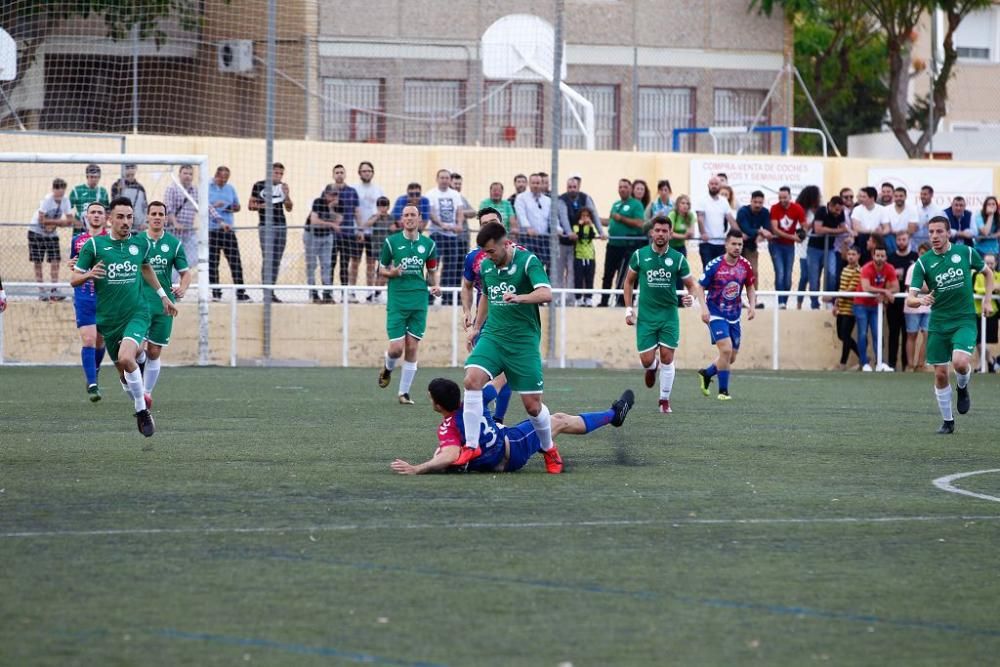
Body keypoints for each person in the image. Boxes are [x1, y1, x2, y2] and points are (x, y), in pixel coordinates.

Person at [71, 197, 178, 437]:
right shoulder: (95, 247)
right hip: (109, 320)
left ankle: (142, 411)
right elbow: (73, 279)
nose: (126, 221)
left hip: (137, 313)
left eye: (129, 217)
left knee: (127, 358)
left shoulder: (139, 244)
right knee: (124, 371)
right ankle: (137, 373)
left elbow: (146, 267)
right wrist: (88, 274)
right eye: (120, 217)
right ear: (110, 219)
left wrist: (163, 295)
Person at [462, 221, 561, 473]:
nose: (488, 257)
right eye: (485, 252)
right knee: (472, 380)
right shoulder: (486, 265)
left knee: (533, 406)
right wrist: (475, 325)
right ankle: (471, 446)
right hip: (494, 336)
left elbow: (546, 293)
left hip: (523, 342)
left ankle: (549, 448)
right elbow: (486, 294)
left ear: (505, 243)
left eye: (492, 251)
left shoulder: (528, 262)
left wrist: (520, 298)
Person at [390, 378, 634, 475]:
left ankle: (613, 415)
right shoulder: (476, 400)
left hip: (504, 448)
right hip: (511, 447)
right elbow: (500, 380)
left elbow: (450, 453)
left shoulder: (447, 427)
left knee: (441, 453)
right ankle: (613, 414)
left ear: (437, 404)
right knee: (556, 420)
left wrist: (420, 467)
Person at [907, 216, 994, 433]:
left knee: (960, 363)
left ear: (948, 233)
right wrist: (920, 300)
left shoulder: (965, 252)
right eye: (931, 232)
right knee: (940, 374)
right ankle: (948, 421)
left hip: (964, 319)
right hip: (938, 323)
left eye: (939, 232)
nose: (934, 236)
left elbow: (988, 273)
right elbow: (910, 298)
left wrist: (986, 299)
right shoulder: (923, 262)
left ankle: (963, 387)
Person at [622, 216, 704, 414]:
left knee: (668, 356)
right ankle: (652, 367)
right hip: (646, 317)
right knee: (646, 360)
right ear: (652, 232)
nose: (660, 234)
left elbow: (692, 285)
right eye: (657, 230)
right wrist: (628, 308)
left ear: (670, 233)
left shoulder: (678, 258)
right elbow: (628, 282)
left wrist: (690, 298)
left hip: (669, 316)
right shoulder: (640, 255)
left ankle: (664, 400)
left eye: (664, 231)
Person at [377, 205, 441, 404]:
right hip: (397, 300)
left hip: (419, 299)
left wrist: (436, 285)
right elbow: (380, 269)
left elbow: (431, 271)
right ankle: (388, 368)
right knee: (396, 349)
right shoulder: (391, 242)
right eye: (406, 215)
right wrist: (392, 273)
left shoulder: (428, 245)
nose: (409, 218)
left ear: (419, 218)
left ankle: (403, 393)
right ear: (402, 219)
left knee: (412, 347)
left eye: (413, 215)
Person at [459, 207, 513, 423]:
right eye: (484, 224)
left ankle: (498, 421)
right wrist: (467, 313)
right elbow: (468, 286)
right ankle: (486, 421)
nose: (489, 227)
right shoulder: (473, 258)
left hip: (511, 320)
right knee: (481, 374)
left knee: (505, 376)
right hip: (485, 321)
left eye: (493, 222)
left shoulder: (517, 253)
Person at [138, 201, 191, 405]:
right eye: (154, 213)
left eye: (161, 213)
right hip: (139, 304)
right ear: (148, 217)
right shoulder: (136, 242)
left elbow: (186, 273)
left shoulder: (174, 244)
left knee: (154, 351)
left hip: (164, 305)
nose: (158, 217)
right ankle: (139, 374)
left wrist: (183, 288)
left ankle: (146, 393)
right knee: (137, 350)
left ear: (166, 218)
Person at [696, 229, 757, 400]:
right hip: (716, 313)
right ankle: (723, 392)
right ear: (726, 244)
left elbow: (750, 287)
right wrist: (703, 308)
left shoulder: (745, 265)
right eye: (734, 244)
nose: (737, 247)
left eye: (740, 244)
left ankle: (707, 373)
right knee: (726, 350)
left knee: (731, 357)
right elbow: (699, 286)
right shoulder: (715, 265)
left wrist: (752, 306)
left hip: (734, 314)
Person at [69, 202, 109, 401]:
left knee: (101, 340)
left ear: (105, 217)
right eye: (92, 212)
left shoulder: (110, 240)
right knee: (89, 339)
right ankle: (92, 384)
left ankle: (95, 369)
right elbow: (74, 264)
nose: (95, 215)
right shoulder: (78, 240)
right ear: (86, 216)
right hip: (84, 294)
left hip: (105, 296)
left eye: (99, 213)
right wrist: (71, 264)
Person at [249, 162, 293, 301]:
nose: (278, 176)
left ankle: (271, 291)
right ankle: (266, 293)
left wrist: (286, 195)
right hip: (266, 225)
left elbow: (289, 208)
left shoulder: (283, 187)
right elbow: (251, 205)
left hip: (281, 225)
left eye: (281, 173)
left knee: (276, 260)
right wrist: (265, 205)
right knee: (268, 259)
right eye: (276, 173)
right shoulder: (259, 185)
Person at [599, 178, 645, 306]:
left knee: (624, 276)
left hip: (627, 247)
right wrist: (595, 219)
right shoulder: (616, 204)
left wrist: (622, 218)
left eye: (625, 187)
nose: (622, 189)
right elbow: (610, 222)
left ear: (630, 189)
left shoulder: (636, 204)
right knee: (608, 274)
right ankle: (603, 301)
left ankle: (621, 302)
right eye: (620, 187)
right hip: (612, 245)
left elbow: (639, 223)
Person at [854, 240, 899, 372]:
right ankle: (864, 363)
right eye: (877, 255)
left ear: (886, 257)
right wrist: (884, 291)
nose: (880, 258)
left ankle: (880, 363)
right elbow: (866, 287)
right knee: (862, 334)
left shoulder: (889, 268)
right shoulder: (867, 268)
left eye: (882, 256)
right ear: (873, 256)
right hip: (861, 304)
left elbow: (896, 287)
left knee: (877, 334)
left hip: (875, 306)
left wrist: (884, 295)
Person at [555, 176, 605, 291]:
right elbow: (563, 218)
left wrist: (601, 232)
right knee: (559, 271)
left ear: (578, 187)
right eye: (569, 187)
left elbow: (594, 215)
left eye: (574, 187)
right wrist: (569, 233)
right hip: (563, 241)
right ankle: (557, 299)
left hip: (577, 245)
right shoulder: (562, 199)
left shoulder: (585, 198)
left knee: (573, 272)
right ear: (566, 188)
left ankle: (571, 299)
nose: (572, 189)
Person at [207, 166, 249, 302]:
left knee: (235, 261)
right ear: (216, 175)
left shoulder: (230, 188)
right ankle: (216, 293)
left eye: (226, 178)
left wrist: (230, 207)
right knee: (213, 262)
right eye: (222, 178)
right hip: (212, 230)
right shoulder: (207, 187)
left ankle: (241, 292)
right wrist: (215, 205)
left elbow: (238, 206)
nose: (224, 181)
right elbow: (203, 206)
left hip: (228, 230)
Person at [28, 177, 73, 301]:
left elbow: (69, 220)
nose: (60, 195)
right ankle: (41, 290)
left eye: (62, 192)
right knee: (38, 262)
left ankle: (54, 288)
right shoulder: (47, 200)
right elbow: (41, 220)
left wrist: (52, 223)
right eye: (57, 192)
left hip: (52, 233)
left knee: (55, 260)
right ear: (53, 190)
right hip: (36, 232)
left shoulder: (65, 201)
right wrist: (59, 222)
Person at [425, 169, 466, 304]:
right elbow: (430, 212)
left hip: (452, 235)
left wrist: (459, 224)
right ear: (437, 179)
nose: (444, 180)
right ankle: (428, 297)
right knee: (432, 266)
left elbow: (460, 210)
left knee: (451, 266)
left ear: (449, 180)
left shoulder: (455, 194)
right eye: (441, 177)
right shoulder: (431, 194)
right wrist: (441, 224)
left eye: (446, 178)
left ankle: (448, 298)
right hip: (436, 235)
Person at [808, 196, 851, 310]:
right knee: (814, 277)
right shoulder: (821, 210)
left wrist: (828, 230)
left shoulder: (840, 212)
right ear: (830, 206)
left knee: (832, 274)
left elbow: (844, 228)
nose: (838, 212)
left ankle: (829, 300)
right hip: (814, 249)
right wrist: (836, 231)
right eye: (836, 209)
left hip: (830, 248)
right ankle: (814, 304)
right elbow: (818, 229)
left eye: (840, 210)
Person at [886, 230, 918, 370]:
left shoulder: (915, 257)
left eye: (904, 239)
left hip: (909, 304)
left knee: (908, 335)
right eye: (899, 239)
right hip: (893, 303)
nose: (901, 242)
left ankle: (907, 365)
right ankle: (891, 365)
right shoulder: (891, 258)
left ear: (908, 239)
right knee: (893, 334)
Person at [769, 186, 806, 309]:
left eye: (785, 197)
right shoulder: (774, 208)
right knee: (780, 272)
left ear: (790, 197)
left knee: (788, 274)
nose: (782, 200)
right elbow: (775, 229)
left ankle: (784, 300)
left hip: (789, 246)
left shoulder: (797, 208)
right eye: (780, 197)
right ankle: (781, 302)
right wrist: (793, 237)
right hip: (776, 244)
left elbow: (804, 225)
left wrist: (802, 235)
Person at [353, 161, 386, 298]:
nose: (366, 173)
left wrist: (369, 224)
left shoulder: (378, 190)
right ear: (359, 173)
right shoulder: (354, 189)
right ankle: (351, 291)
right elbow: (354, 211)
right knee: (355, 261)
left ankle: (370, 292)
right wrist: (360, 229)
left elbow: (380, 212)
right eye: (364, 171)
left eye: (369, 171)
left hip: (373, 233)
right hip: (357, 232)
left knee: (371, 263)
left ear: (373, 173)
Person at [304, 184, 341, 303]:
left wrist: (330, 208)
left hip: (326, 236)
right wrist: (330, 224)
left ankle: (327, 293)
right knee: (312, 265)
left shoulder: (338, 204)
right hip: (312, 235)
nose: (334, 196)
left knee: (327, 264)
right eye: (331, 194)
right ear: (325, 194)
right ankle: (313, 293)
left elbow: (339, 221)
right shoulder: (318, 202)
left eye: (336, 194)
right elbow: (314, 221)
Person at [331, 164, 362, 298]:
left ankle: (344, 293)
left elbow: (356, 212)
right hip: (331, 235)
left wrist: (360, 229)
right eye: (337, 172)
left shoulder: (352, 191)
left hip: (348, 234)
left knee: (345, 264)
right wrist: (332, 204)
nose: (339, 174)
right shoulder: (328, 190)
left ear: (345, 174)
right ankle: (328, 292)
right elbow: (322, 210)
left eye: (341, 172)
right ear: (333, 175)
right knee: (330, 263)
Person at [513, 173, 553, 273]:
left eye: (538, 183)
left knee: (542, 265)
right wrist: (528, 227)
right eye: (533, 183)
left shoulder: (548, 201)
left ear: (542, 184)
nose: (536, 185)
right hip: (527, 237)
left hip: (543, 239)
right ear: (529, 184)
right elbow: (521, 214)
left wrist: (558, 230)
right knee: (527, 265)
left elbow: (552, 219)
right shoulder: (521, 198)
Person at [163, 164, 199, 271]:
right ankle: (170, 285)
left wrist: (219, 220)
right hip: (174, 231)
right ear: (179, 174)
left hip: (188, 231)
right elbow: (169, 209)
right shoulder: (172, 189)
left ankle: (177, 277)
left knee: (196, 256)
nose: (188, 176)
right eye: (185, 173)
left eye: (190, 174)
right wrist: (175, 223)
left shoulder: (195, 191)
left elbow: (205, 207)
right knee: (172, 258)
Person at [903, 242, 932, 372]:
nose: (923, 256)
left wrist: (926, 289)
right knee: (912, 335)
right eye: (921, 253)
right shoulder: (912, 268)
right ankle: (910, 365)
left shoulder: (933, 268)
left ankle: (920, 364)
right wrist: (927, 288)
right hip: (913, 306)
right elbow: (911, 288)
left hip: (928, 306)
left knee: (927, 335)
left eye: (926, 253)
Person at [363, 196, 397, 303]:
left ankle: (377, 292)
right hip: (376, 247)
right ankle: (371, 292)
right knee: (374, 270)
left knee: (384, 271)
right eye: (381, 206)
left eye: (385, 206)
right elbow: (366, 225)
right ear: (377, 207)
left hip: (388, 249)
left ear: (388, 207)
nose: (383, 208)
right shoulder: (375, 217)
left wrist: (394, 229)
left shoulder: (391, 218)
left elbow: (396, 232)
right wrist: (376, 217)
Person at [833, 246, 862, 370]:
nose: (850, 256)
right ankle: (862, 357)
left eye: (853, 254)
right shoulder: (845, 269)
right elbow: (842, 287)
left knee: (845, 336)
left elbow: (850, 289)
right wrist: (836, 303)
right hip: (842, 307)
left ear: (858, 256)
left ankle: (843, 363)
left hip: (850, 309)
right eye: (849, 254)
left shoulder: (858, 271)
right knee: (841, 335)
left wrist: (836, 298)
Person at [696, 176, 732, 269]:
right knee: (708, 271)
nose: (714, 186)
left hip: (721, 243)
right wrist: (703, 233)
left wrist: (740, 233)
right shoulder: (702, 200)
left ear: (720, 186)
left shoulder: (724, 201)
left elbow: (730, 219)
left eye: (716, 184)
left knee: (720, 271)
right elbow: (700, 218)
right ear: (708, 185)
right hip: (706, 243)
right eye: (712, 184)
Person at [794, 185, 821, 309]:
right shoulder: (801, 210)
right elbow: (803, 228)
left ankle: (814, 302)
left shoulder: (818, 210)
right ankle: (799, 302)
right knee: (805, 275)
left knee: (815, 277)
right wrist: (813, 220)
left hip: (815, 246)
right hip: (804, 246)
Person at [973, 253, 1000, 372]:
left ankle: (981, 365)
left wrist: (994, 287)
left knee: (987, 340)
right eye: (987, 263)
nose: (989, 265)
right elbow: (976, 289)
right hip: (978, 311)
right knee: (978, 340)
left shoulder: (998, 275)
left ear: (995, 263)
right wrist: (992, 287)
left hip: (992, 311)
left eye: (991, 263)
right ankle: (990, 361)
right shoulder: (977, 275)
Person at [735, 190, 771, 279]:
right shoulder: (743, 211)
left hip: (751, 246)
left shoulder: (765, 212)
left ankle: (754, 293)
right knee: (735, 273)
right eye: (755, 202)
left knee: (753, 273)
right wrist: (760, 231)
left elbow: (767, 229)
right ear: (750, 201)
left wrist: (761, 235)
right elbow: (746, 229)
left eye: (760, 202)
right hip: (736, 245)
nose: (758, 205)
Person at [851, 186, 888, 264]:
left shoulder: (882, 209)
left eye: (864, 197)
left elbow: (887, 228)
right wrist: (871, 231)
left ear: (872, 198)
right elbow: (856, 227)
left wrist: (881, 232)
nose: (862, 199)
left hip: (877, 239)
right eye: (861, 196)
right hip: (861, 239)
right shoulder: (857, 209)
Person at [69, 164, 110, 232]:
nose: (94, 179)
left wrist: (104, 222)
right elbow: (67, 209)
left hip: (97, 229)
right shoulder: (77, 190)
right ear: (87, 177)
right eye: (91, 177)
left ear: (99, 177)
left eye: (96, 177)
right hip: (80, 229)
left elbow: (108, 211)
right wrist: (76, 222)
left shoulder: (103, 191)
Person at [573, 208, 599, 306]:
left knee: (589, 278)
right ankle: (578, 298)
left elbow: (593, 235)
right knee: (578, 278)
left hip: (590, 256)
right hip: (579, 256)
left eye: (587, 216)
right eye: (583, 216)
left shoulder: (591, 227)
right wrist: (580, 225)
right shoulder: (576, 226)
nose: (585, 218)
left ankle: (588, 298)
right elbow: (578, 236)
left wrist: (590, 225)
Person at [111, 164, 148, 232]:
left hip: (138, 227)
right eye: (127, 167)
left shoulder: (140, 188)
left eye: (132, 167)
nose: (130, 170)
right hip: (122, 225)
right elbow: (114, 206)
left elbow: (145, 207)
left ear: (135, 169)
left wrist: (144, 223)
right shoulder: (117, 186)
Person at [884, 187, 917, 255]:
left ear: (905, 197)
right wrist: (899, 233)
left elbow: (912, 229)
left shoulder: (912, 209)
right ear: (893, 197)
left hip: (907, 239)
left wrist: (899, 235)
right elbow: (887, 228)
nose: (898, 198)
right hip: (890, 240)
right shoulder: (886, 209)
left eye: (901, 196)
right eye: (896, 196)